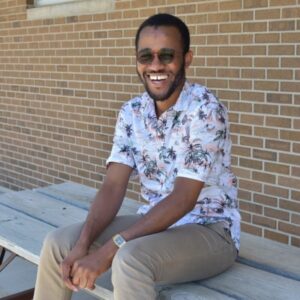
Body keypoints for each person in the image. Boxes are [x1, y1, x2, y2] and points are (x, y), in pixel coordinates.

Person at [33, 13, 240, 300]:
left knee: (130, 259)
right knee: (59, 243)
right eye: (146, 56)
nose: (156, 65)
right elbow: (113, 185)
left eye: (167, 55)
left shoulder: (205, 110)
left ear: (187, 58)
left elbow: (183, 199)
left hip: (209, 231)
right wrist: (83, 243)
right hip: (154, 225)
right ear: (137, 60)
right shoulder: (132, 112)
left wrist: (109, 249)